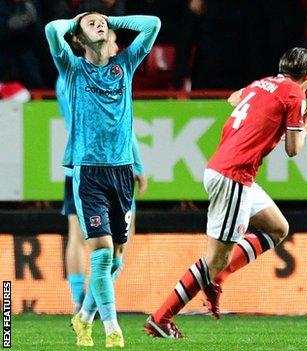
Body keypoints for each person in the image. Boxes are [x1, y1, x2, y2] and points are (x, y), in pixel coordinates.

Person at [144, 47, 307, 339]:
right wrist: (306, 127)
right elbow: (293, 150)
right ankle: (162, 317)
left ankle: (218, 276)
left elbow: (234, 98)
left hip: (228, 170)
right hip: (234, 175)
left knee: (277, 228)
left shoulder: (263, 83)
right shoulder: (295, 94)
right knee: (214, 259)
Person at [45, 11, 160, 347]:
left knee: (118, 251)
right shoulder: (72, 69)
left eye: (102, 23)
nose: (99, 25)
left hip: (122, 170)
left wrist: (109, 18)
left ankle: (84, 317)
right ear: (78, 39)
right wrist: (79, 21)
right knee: (102, 249)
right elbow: (53, 28)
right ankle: (111, 328)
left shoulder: (124, 65)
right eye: (89, 23)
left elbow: (153, 24)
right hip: (88, 171)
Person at [56, 29, 148, 316]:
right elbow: (120, 125)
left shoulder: (65, 76)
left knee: (77, 235)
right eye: (113, 39)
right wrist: (138, 163)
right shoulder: (108, 73)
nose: (118, 46)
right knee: (119, 240)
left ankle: (78, 301)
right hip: (111, 162)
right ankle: (92, 307)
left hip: (80, 164)